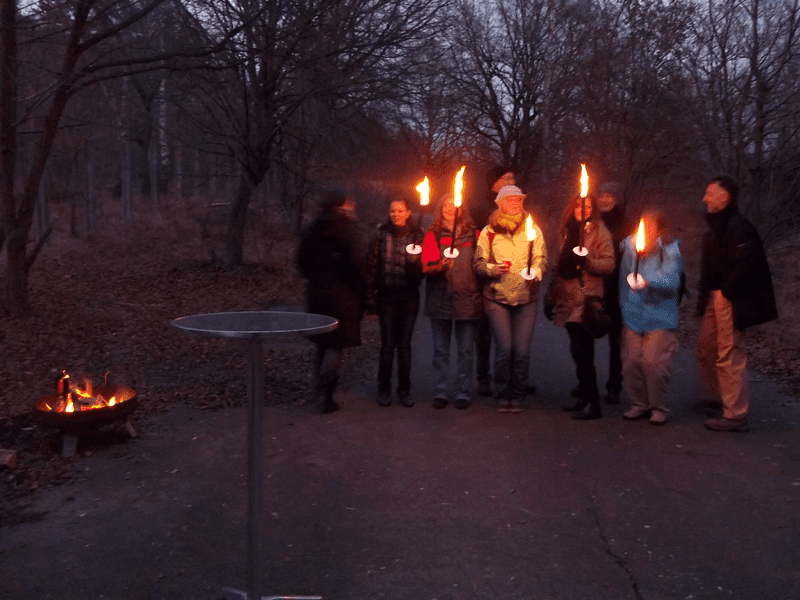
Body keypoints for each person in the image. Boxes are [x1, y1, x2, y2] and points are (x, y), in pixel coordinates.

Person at [695, 175, 777, 432]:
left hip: (730, 298)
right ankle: (716, 398)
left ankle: (735, 415)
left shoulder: (738, 226)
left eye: (710, 194)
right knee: (706, 348)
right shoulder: (717, 226)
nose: (705, 198)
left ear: (724, 197)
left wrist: (727, 291)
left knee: (729, 353)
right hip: (715, 296)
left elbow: (748, 263)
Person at [474, 185, 547, 412]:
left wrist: (536, 272)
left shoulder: (533, 229)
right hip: (497, 298)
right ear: (500, 203)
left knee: (521, 351)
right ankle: (502, 394)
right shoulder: (489, 232)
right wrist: (493, 269)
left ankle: (517, 395)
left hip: (526, 298)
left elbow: (541, 259)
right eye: (510, 200)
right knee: (505, 349)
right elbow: (478, 263)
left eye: (519, 200)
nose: (516, 203)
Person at [544, 193, 615, 420]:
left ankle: (594, 404)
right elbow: (558, 265)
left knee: (584, 351)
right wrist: (550, 296)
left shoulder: (599, 231)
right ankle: (585, 396)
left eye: (587, 206)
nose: (582, 209)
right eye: (578, 205)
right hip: (567, 297)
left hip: (586, 296)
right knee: (576, 351)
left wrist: (587, 262)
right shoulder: (566, 230)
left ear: (593, 210)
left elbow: (609, 264)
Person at [297, 189, 367, 414]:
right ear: (343, 205)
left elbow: (301, 261)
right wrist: (363, 291)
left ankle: (318, 390)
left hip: (317, 294)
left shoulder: (312, 228)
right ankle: (326, 396)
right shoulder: (349, 229)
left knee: (321, 343)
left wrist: (315, 277)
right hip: (343, 296)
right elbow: (358, 263)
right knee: (335, 345)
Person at [618, 210, 682, 425]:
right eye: (643, 225)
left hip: (660, 318)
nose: (645, 231)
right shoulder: (630, 248)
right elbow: (623, 280)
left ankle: (658, 407)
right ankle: (639, 404)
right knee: (631, 363)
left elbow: (672, 281)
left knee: (654, 364)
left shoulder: (670, 251)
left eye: (651, 227)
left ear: (660, 231)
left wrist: (648, 280)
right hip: (633, 315)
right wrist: (623, 306)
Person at [422, 193, 483, 409]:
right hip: (440, 299)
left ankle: (462, 392)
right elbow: (426, 265)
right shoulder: (433, 234)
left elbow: (482, 263)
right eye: (445, 205)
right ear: (440, 209)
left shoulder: (474, 234)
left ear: (461, 209)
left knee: (466, 350)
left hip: (467, 298)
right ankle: (440, 390)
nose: (450, 208)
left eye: (454, 204)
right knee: (441, 351)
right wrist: (440, 264)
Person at [364, 198, 424, 407]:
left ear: (408, 213)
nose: (396, 214)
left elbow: (422, 274)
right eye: (392, 211)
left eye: (400, 211)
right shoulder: (381, 234)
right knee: (388, 344)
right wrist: (370, 300)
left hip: (409, 298)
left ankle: (404, 390)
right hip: (386, 297)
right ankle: (384, 389)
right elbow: (371, 267)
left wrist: (415, 264)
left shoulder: (417, 235)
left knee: (404, 345)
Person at [471, 166, 516, 397]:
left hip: (513, 277)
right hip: (486, 278)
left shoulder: (518, 208)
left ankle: (512, 377)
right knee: (485, 331)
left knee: (512, 332)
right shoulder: (480, 209)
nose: (511, 181)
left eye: (513, 178)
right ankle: (483, 377)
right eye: (506, 178)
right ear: (494, 184)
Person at [597, 181, 631, 404]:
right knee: (585, 335)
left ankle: (614, 385)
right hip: (593, 283)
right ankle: (585, 383)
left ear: (617, 199)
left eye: (610, 196)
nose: (605, 199)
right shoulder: (592, 221)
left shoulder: (626, 224)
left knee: (615, 339)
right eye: (602, 195)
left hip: (616, 285)